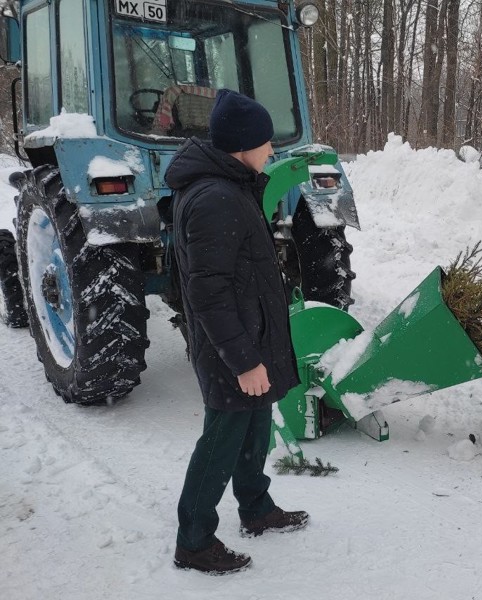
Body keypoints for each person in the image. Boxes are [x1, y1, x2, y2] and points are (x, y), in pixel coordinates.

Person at [165, 89, 308, 574]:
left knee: (256, 425)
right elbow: (209, 294)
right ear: (242, 144)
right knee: (222, 439)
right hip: (232, 347)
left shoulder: (232, 186)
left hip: (251, 335)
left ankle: (256, 507)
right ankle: (195, 540)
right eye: (266, 142)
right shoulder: (215, 199)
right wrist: (244, 360)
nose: (272, 151)